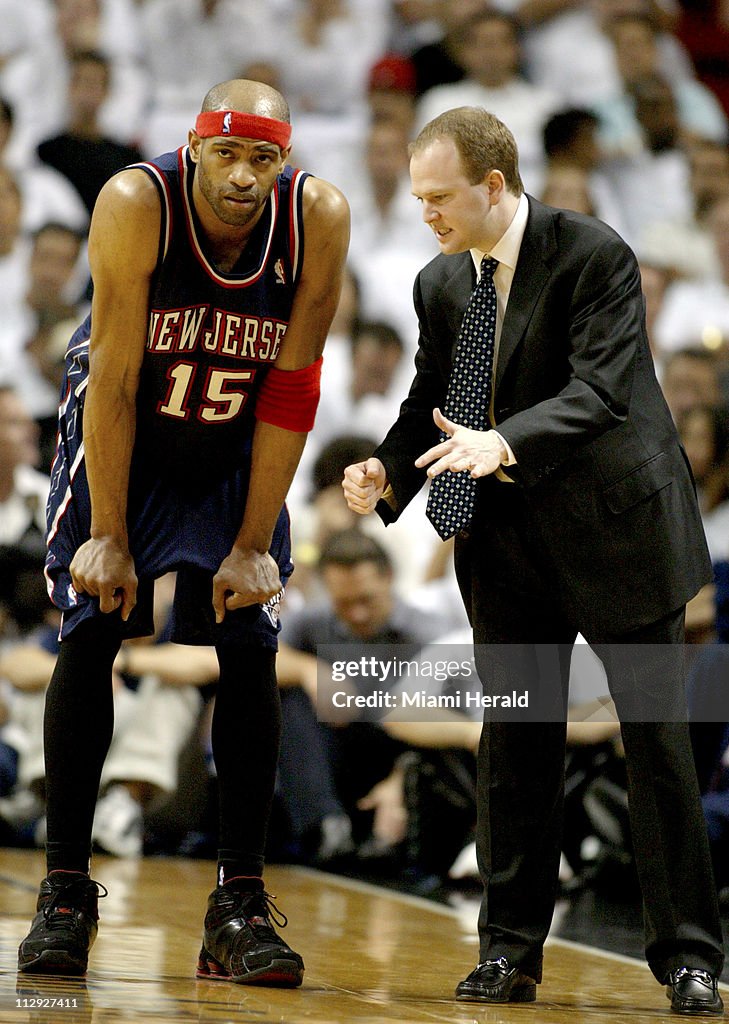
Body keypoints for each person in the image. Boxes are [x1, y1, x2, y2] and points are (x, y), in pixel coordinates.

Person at [342, 106, 725, 1014]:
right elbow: (430, 394)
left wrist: (498, 443)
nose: (424, 210)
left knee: (655, 747)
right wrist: (386, 473)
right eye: (416, 195)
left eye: (439, 196)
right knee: (514, 742)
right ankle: (509, 951)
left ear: (494, 184)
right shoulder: (439, 282)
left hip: (616, 528)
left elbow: (597, 390)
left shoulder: (591, 252)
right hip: (506, 543)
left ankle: (687, 957)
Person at [17, 77, 350, 988]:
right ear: (196, 146)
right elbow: (117, 379)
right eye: (228, 153)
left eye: (265, 158)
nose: (245, 176)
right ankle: (65, 893)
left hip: (240, 430)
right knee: (92, 625)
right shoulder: (136, 200)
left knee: (251, 635)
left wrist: (252, 545)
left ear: (285, 161)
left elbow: (291, 388)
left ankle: (237, 902)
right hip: (128, 430)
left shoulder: (316, 216)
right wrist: (112, 534)